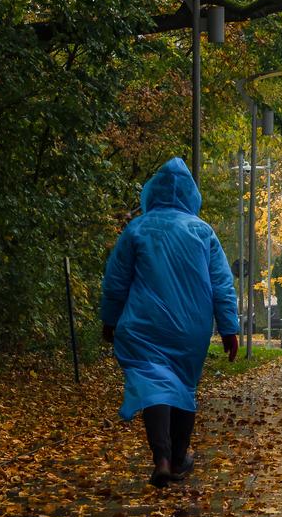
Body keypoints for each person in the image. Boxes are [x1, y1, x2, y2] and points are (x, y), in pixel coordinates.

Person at [100, 157, 239, 487]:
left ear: (153, 192)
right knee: (182, 387)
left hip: (145, 324)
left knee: (153, 384)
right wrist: (229, 327)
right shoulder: (202, 231)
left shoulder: (138, 228)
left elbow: (116, 280)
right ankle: (178, 457)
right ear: (191, 195)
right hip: (190, 328)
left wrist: (110, 319)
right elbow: (221, 282)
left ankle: (161, 458)